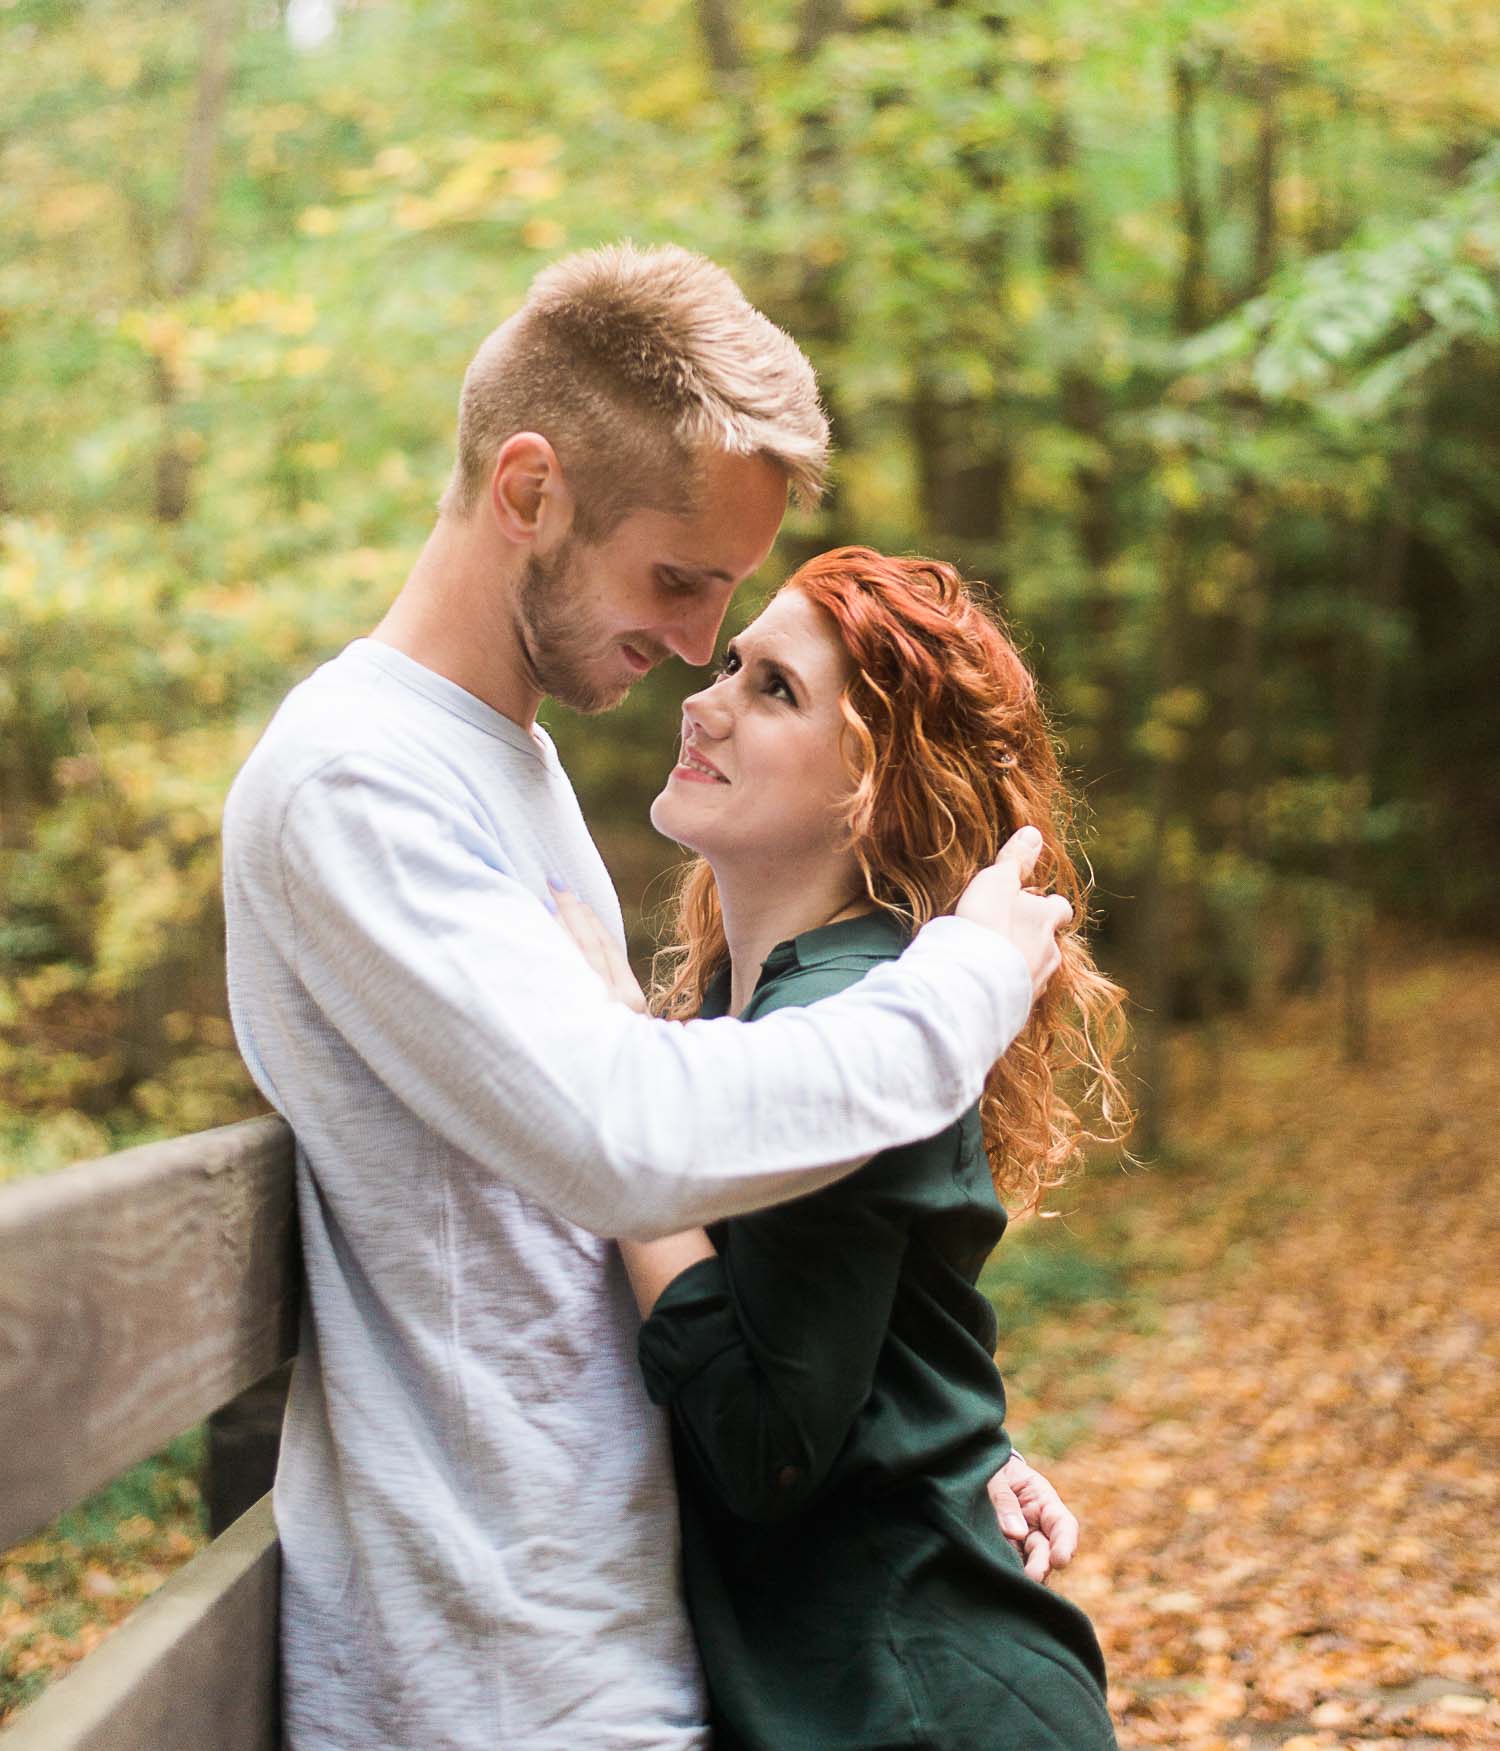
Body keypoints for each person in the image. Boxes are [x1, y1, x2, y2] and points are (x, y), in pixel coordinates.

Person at [221, 244, 1080, 1751]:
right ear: (530, 488)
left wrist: (934, 1462)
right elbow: (625, 1131)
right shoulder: (356, 777)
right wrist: (970, 977)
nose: (697, 644)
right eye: (680, 582)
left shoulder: (510, 763)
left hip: (622, 1632)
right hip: (503, 1670)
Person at [596, 545, 1129, 1749]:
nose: (704, 697)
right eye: (730, 663)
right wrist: (954, 1450)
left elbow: (769, 1447)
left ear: (871, 787)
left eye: (773, 689)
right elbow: (864, 1342)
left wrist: (609, 1126)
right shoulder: (779, 1013)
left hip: (920, 1704)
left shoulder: (840, 1021)